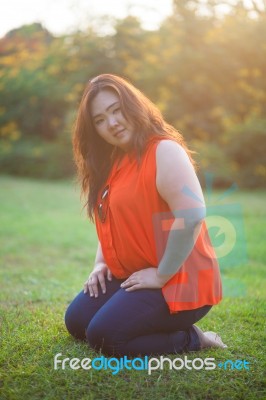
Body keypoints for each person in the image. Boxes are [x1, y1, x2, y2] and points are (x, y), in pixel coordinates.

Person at [65, 73, 227, 356]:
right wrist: (100, 264)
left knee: (103, 337)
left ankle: (193, 338)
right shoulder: (115, 160)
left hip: (180, 280)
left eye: (116, 110)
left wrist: (162, 275)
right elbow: (112, 219)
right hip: (138, 273)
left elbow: (192, 216)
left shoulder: (164, 150)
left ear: (133, 105)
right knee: (77, 321)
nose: (112, 123)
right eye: (100, 120)